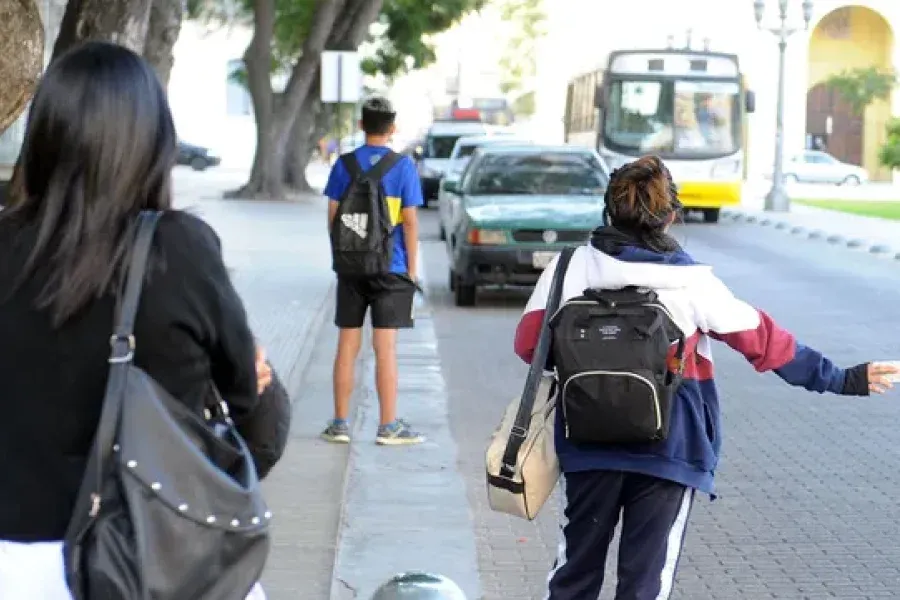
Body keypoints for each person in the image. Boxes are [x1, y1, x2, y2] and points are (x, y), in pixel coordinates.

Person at [512, 155, 899, 600]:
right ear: (671, 216)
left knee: (575, 574)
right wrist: (845, 379)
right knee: (645, 584)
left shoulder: (567, 270)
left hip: (587, 445)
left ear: (608, 211)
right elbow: (766, 343)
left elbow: (528, 346)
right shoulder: (691, 282)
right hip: (670, 449)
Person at [0, 41, 277, 599]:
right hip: (147, 562)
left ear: (43, 136)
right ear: (153, 143)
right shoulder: (179, 250)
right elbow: (256, 430)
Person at [321, 96, 425, 446]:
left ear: (362, 125)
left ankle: (339, 424)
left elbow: (333, 218)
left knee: (347, 345)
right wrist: (411, 272)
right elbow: (410, 224)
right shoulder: (403, 167)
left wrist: (345, 258)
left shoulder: (344, 164)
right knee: (386, 349)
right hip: (390, 268)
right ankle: (388, 426)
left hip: (351, 269)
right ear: (392, 128)